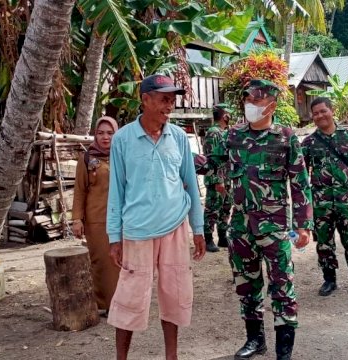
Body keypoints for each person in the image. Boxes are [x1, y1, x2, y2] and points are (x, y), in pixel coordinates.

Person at [197, 79, 313, 360]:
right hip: (240, 226)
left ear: (271, 105)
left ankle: (284, 351)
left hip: (275, 226)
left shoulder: (285, 137)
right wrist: (180, 156)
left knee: (282, 285)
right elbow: (211, 163)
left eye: (256, 101)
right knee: (246, 285)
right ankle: (255, 340)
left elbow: (300, 183)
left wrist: (303, 225)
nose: (249, 105)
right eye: (247, 100)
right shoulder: (232, 135)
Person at [106, 74, 206, 360]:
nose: (169, 105)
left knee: (173, 293)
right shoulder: (123, 139)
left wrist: (197, 229)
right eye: (163, 99)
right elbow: (117, 191)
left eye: (172, 99)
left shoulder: (178, 137)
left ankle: (171, 356)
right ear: (145, 99)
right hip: (137, 230)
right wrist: (115, 237)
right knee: (130, 297)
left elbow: (190, 181)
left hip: (175, 226)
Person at [301, 97, 348, 297]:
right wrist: (306, 204)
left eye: (323, 111)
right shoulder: (308, 143)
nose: (320, 115)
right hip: (320, 202)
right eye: (315, 113)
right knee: (324, 242)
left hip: (346, 200)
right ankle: (329, 279)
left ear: (331, 111)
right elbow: (302, 175)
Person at [71, 116, 120, 314]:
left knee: (121, 263)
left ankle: (119, 304)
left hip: (121, 219)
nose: (105, 137)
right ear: (95, 135)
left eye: (110, 133)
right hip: (96, 220)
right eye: (100, 133)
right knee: (101, 262)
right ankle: (104, 304)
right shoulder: (87, 158)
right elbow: (79, 190)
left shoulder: (122, 155)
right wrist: (77, 219)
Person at [202, 103, 232, 252]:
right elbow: (212, 159)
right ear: (224, 115)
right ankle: (208, 239)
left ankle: (222, 236)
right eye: (228, 113)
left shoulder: (223, 131)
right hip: (217, 178)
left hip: (226, 177)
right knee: (212, 209)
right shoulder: (214, 133)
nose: (230, 116)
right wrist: (217, 180)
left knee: (225, 208)